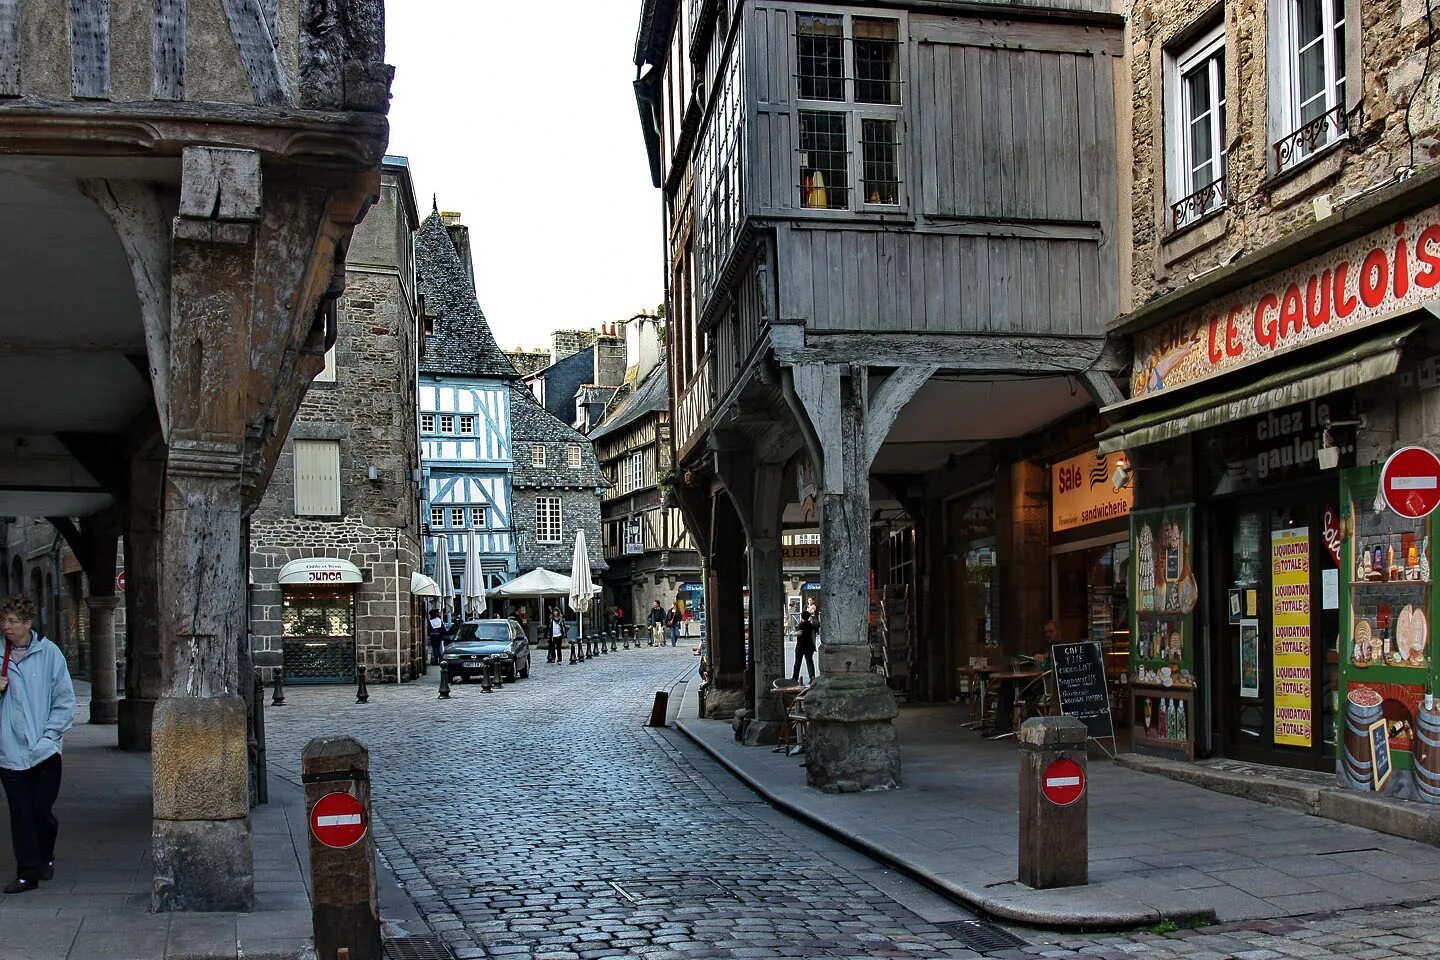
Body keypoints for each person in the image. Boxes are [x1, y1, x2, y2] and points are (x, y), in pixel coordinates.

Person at [0, 595, 76, 893]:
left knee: (41, 811)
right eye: (3, 620)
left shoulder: (50, 654)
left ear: (27, 623)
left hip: (44, 751)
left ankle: (45, 854)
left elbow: (64, 700)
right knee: (20, 813)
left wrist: (49, 737)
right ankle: (27, 873)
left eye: (12, 621)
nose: (6, 626)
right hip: (9, 751)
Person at [792, 610, 817, 684]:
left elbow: (800, 633)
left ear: (802, 616)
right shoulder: (810, 625)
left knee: (797, 663)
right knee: (809, 662)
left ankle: (795, 678)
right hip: (809, 646)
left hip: (801, 646)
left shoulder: (801, 625)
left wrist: (793, 633)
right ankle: (812, 677)